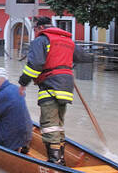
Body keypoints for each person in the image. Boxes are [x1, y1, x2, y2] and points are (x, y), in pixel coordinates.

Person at [18, 16, 93, 165]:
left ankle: (55, 161)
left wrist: (22, 83)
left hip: (50, 85)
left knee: (48, 124)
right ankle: (61, 158)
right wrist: (66, 65)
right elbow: (84, 57)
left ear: (39, 28)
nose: (34, 33)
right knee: (58, 123)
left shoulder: (41, 40)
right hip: (66, 85)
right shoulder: (68, 41)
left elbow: (35, 65)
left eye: (34, 29)